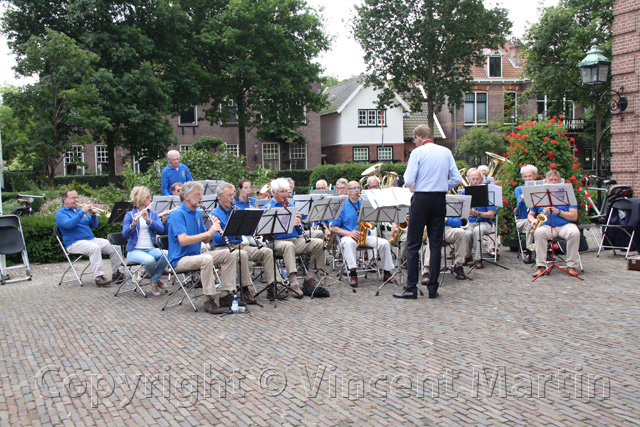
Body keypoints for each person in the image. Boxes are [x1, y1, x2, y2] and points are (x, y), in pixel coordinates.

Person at [395, 124, 461, 300]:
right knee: (436, 244)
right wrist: (442, 186)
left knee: (413, 244)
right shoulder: (446, 151)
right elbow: (456, 178)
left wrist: (416, 185)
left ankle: (411, 287)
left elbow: (408, 179)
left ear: (418, 137)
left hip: (422, 198)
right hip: (439, 199)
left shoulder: (417, 153)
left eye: (414, 140)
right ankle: (433, 287)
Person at [167, 181, 238, 314]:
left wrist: (213, 229)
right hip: (180, 259)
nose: (201, 197)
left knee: (230, 254)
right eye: (197, 194)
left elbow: (205, 239)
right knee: (206, 259)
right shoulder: (178, 214)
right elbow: (183, 240)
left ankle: (225, 295)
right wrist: (208, 232)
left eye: (201, 194)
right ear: (186, 196)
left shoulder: (197, 213)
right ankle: (209, 300)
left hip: (195, 256)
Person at [212, 181, 276, 304]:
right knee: (243, 255)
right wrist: (229, 230)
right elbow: (216, 240)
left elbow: (246, 232)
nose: (232, 198)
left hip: (240, 245)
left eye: (232, 195)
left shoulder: (236, 210)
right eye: (228, 195)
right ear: (220, 196)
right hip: (224, 248)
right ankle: (245, 289)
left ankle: (272, 286)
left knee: (267, 252)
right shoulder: (215, 214)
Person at [264, 178, 324, 298]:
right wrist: (288, 224)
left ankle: (310, 277)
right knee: (288, 245)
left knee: (318, 242)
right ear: (274, 192)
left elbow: (297, 231)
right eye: (282, 192)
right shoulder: (268, 208)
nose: (286, 195)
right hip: (276, 241)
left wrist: (299, 223)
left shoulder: (291, 206)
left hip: (294, 239)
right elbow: (266, 233)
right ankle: (293, 282)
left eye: (286, 191)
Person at [331, 180, 396, 287]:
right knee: (348, 243)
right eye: (354, 188)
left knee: (384, 243)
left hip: (364, 236)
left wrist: (372, 223)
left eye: (358, 188)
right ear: (347, 191)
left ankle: (387, 272)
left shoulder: (365, 203)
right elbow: (333, 227)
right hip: (348, 236)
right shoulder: (341, 206)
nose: (357, 190)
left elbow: (373, 224)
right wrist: (349, 233)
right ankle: (353, 273)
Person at [56, 189, 124, 287]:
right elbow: (69, 225)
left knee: (115, 246)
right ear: (65, 200)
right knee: (94, 247)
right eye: (73, 198)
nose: (76, 200)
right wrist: (82, 212)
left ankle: (118, 274)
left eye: (76, 197)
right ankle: (99, 277)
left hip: (90, 239)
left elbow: (94, 225)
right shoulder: (61, 213)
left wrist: (93, 215)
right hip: (74, 243)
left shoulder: (79, 211)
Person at [529, 170, 581, 278]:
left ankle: (571, 265)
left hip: (565, 225)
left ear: (560, 181)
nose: (553, 182)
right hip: (546, 225)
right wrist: (533, 220)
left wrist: (558, 211)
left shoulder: (569, 195)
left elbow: (574, 216)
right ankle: (541, 266)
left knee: (574, 232)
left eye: (556, 180)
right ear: (546, 181)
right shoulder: (539, 195)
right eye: (551, 180)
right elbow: (531, 214)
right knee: (538, 232)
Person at [121, 186, 169, 296]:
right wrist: (132, 225)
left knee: (166, 254)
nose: (150, 200)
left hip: (150, 249)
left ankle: (155, 280)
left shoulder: (153, 214)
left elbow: (161, 229)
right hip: (134, 250)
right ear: (141, 199)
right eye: (148, 197)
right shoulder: (130, 215)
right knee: (150, 260)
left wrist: (148, 220)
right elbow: (124, 234)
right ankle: (156, 282)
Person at [462, 170, 496, 269]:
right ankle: (467, 256)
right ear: (469, 179)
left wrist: (478, 214)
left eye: (478, 179)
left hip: (484, 222)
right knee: (467, 233)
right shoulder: (465, 192)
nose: (475, 181)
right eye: (473, 179)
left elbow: (491, 214)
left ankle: (478, 258)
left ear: (482, 180)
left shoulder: (488, 193)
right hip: (470, 222)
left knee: (478, 231)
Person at [514, 165, 538, 263]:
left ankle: (544, 252)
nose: (528, 179)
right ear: (522, 177)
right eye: (525, 176)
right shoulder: (519, 189)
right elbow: (519, 207)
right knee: (530, 224)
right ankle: (529, 251)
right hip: (523, 219)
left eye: (530, 176)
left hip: (538, 218)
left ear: (535, 176)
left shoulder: (539, 187)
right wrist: (522, 200)